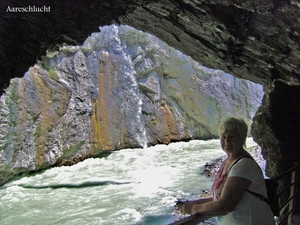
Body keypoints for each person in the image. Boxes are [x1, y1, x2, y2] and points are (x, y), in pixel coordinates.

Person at [177, 117, 275, 225]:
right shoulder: (227, 162)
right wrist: (194, 203)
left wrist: (193, 209)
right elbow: (218, 198)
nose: (227, 140)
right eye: (223, 136)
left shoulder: (244, 165)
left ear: (242, 139)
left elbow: (224, 206)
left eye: (232, 137)